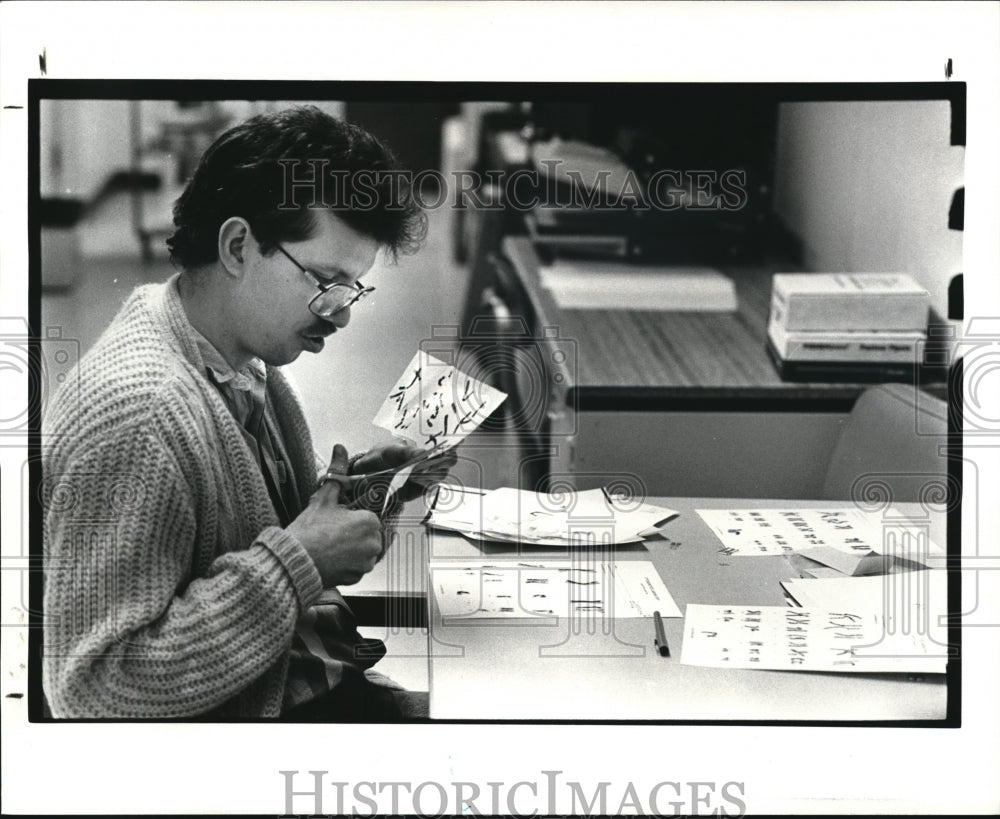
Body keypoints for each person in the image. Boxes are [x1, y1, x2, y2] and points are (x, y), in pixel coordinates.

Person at [41, 106, 453, 720]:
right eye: (326, 282)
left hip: (300, 679)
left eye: (353, 290)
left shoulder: (233, 358)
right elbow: (93, 687)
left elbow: (254, 534)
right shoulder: (141, 415)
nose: (341, 314)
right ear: (238, 246)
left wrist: (369, 496)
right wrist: (299, 563)